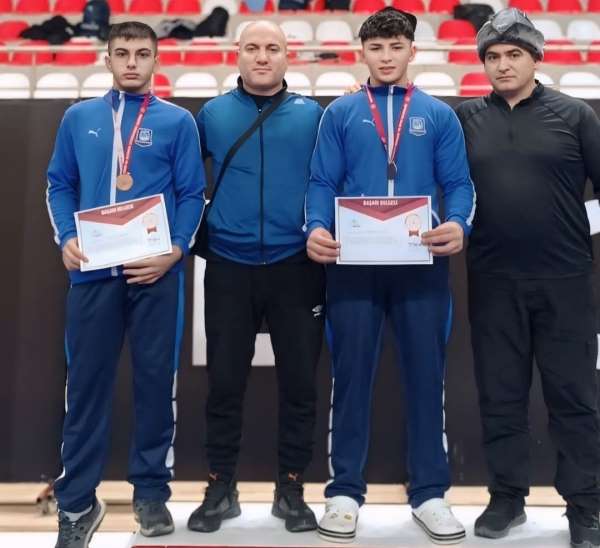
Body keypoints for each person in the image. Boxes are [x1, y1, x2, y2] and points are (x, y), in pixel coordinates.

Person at [305, 7, 475, 545]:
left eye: (395, 47)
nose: (385, 57)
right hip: (353, 265)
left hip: (421, 264)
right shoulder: (340, 112)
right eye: (376, 48)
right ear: (363, 52)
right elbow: (321, 181)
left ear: (412, 51)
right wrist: (315, 226)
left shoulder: (438, 114)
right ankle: (343, 493)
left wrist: (458, 222)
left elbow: (460, 183)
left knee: (426, 377)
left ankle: (429, 494)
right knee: (350, 376)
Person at [46, 21, 205, 548]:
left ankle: (151, 494)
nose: (131, 62)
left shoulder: (178, 121)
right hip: (93, 273)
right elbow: (59, 184)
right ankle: (76, 505)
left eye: (141, 53)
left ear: (156, 59)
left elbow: (192, 193)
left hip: (155, 274)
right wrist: (67, 236)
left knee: (156, 385)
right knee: (84, 389)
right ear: (107, 59)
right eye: (122, 53)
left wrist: (175, 250)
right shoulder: (79, 117)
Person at [455, 8, 600, 547]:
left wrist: (573, 230)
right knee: (501, 395)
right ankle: (507, 498)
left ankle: (585, 507)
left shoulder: (576, 115)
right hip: (492, 280)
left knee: (574, 397)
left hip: (566, 281)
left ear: (536, 58)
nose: (502, 65)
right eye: (492, 56)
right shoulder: (466, 118)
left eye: (514, 54)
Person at [186, 20, 325, 534]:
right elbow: (182, 182)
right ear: (237, 54)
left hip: (297, 266)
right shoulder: (212, 115)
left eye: (272, 48)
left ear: (288, 55)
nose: (262, 57)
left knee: (300, 385)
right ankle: (220, 486)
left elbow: (331, 180)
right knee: (224, 384)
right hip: (228, 265)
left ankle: (291, 488)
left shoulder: (314, 115)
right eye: (252, 48)